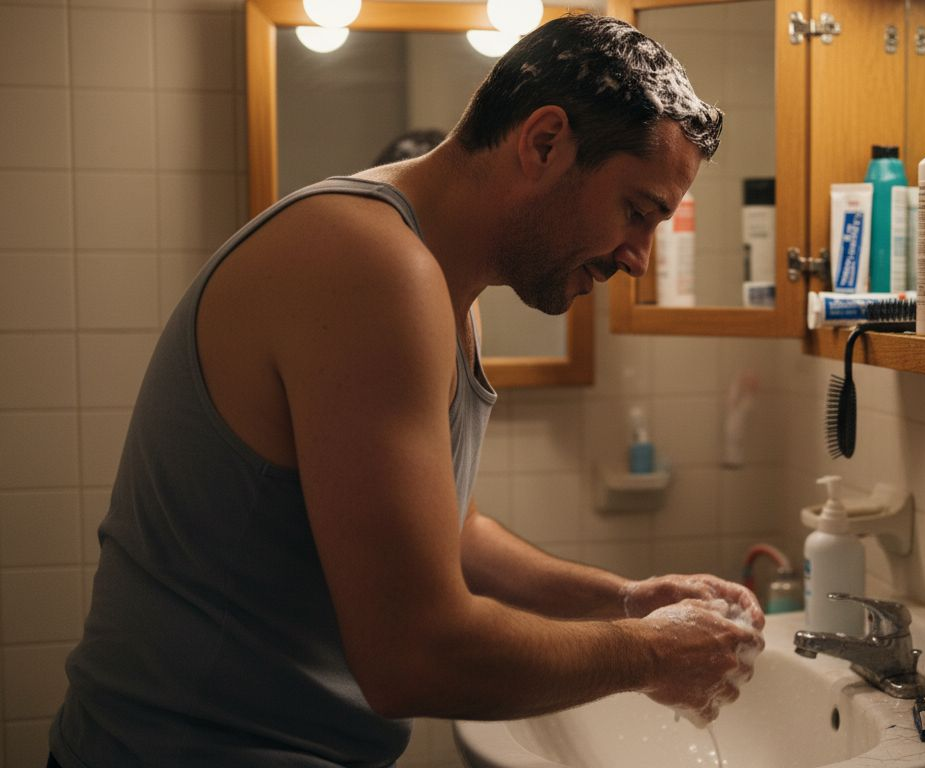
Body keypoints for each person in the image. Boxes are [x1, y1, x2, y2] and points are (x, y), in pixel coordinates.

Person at [50, 14, 763, 767]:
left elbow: (447, 527)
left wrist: (622, 598)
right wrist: (647, 654)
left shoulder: (445, 279)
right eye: (636, 211)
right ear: (545, 143)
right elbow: (414, 656)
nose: (639, 258)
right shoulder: (368, 263)